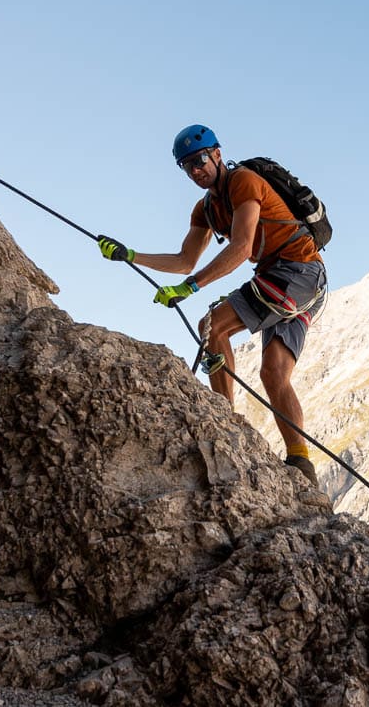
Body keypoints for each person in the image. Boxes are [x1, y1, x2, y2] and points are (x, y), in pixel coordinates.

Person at [96, 124, 326, 487]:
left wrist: (190, 287)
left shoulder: (244, 182)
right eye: (187, 166)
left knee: (213, 325)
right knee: (273, 373)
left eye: (200, 160)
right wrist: (131, 255)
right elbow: (185, 259)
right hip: (298, 281)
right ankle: (302, 463)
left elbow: (242, 247)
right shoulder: (205, 209)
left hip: (297, 272)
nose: (196, 170)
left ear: (217, 154)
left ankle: (224, 421)